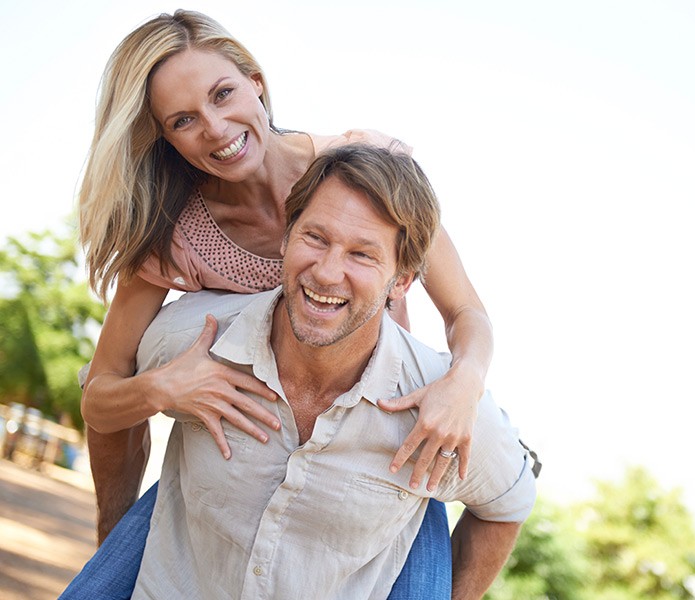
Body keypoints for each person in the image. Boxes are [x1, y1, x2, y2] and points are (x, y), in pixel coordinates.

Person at [69, 8, 494, 598]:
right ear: (163, 136)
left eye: (223, 94)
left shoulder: (364, 173)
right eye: (183, 119)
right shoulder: (174, 233)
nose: (215, 128)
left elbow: (467, 312)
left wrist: (465, 380)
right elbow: (101, 394)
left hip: (378, 468)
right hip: (244, 469)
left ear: (256, 83)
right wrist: (162, 389)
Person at [136, 144, 534, 598]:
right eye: (315, 238)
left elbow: (508, 503)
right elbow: (110, 398)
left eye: (362, 255)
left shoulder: (443, 406)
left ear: (401, 280)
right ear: (286, 238)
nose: (326, 273)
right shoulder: (191, 341)